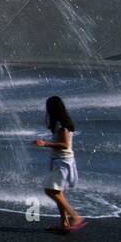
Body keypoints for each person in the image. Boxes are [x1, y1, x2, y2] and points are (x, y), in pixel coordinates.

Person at [33, 96, 85, 233]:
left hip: (63, 162)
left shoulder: (62, 124)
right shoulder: (59, 123)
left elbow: (65, 145)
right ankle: (64, 223)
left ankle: (75, 216)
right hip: (59, 160)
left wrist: (45, 144)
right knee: (58, 192)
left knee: (49, 190)